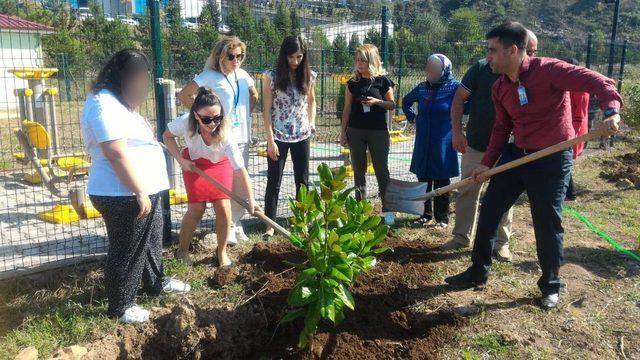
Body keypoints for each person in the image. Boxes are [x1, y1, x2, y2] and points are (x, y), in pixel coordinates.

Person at [445, 22, 622, 310]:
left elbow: (599, 82)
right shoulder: (500, 87)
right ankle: (478, 271)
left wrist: (611, 111)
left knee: (546, 220)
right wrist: (487, 164)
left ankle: (550, 284)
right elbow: (501, 130)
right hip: (519, 155)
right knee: (490, 209)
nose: (488, 57)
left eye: (492, 50)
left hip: (552, 158)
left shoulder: (549, 70)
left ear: (513, 50)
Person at [81, 49, 190, 324]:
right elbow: (115, 153)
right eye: (135, 77)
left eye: (143, 78)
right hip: (121, 192)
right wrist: (139, 191)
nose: (140, 84)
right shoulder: (102, 103)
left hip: (143, 187)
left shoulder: (121, 104)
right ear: (118, 75)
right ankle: (121, 305)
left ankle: (156, 282)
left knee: (151, 241)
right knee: (126, 248)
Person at [177, 36, 259, 244]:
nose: (236, 61)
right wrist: (204, 119)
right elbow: (184, 95)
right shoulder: (210, 76)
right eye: (231, 56)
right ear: (220, 56)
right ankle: (228, 226)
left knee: (240, 181)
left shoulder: (242, 75)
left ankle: (237, 223)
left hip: (241, 136)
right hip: (221, 136)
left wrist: (244, 116)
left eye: (240, 56)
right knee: (227, 184)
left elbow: (254, 96)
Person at [164, 88, 257, 266]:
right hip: (193, 164)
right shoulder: (185, 122)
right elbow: (167, 136)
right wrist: (180, 160)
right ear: (196, 116)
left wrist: (250, 199)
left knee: (223, 206)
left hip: (219, 164)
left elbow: (240, 169)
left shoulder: (227, 133)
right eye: (206, 119)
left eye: (217, 117)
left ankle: (221, 252)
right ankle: (182, 251)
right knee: (196, 208)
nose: (213, 123)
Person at [262, 36, 316, 238]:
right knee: (273, 181)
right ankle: (269, 225)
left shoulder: (309, 75)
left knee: (302, 181)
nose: (295, 61)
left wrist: (311, 122)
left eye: (299, 57)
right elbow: (266, 110)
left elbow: (311, 102)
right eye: (291, 57)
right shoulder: (272, 76)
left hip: (302, 135)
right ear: (284, 55)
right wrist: (270, 140)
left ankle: (302, 222)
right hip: (278, 135)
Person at [339, 44, 396, 225]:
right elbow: (347, 109)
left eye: (363, 60)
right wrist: (343, 132)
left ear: (371, 61)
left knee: (382, 172)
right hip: (356, 131)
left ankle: (388, 214)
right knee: (358, 171)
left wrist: (377, 102)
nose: (359, 63)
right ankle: (359, 215)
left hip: (378, 132)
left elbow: (392, 104)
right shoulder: (352, 83)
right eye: (357, 60)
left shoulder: (383, 81)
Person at [402, 54, 460, 229]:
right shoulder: (421, 88)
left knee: (442, 179)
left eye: (434, 69)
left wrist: (459, 122)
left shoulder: (454, 87)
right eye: (428, 68)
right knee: (423, 178)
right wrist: (412, 117)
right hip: (423, 141)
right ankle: (424, 215)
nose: (429, 72)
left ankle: (442, 218)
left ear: (445, 70)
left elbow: (468, 104)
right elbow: (405, 101)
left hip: (443, 142)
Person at [559, 58, 590, 201]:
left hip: (574, 132)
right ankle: (567, 193)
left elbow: (580, 116)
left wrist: (572, 136)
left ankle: (570, 194)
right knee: (563, 163)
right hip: (567, 130)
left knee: (565, 163)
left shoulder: (580, 90)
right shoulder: (569, 85)